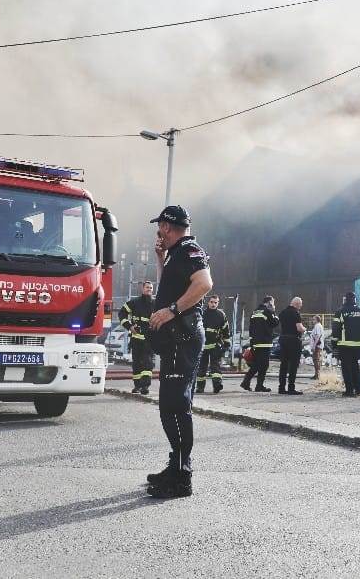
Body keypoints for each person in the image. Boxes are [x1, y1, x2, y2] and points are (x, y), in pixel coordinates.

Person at [143, 205, 212, 499]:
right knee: (171, 405)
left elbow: (204, 284)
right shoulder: (176, 254)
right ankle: (176, 465)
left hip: (183, 336)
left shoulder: (189, 249)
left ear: (168, 227)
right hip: (178, 339)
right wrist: (160, 259)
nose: (158, 232)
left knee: (174, 406)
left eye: (160, 226)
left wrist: (171, 311)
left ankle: (182, 477)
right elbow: (168, 287)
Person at [331, 291, 360, 397]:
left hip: (344, 345)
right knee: (355, 367)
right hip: (358, 345)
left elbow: (336, 329)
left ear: (345, 300)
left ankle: (349, 390)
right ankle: (358, 389)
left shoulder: (340, 312)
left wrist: (334, 343)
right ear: (355, 300)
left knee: (346, 368)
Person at [119, 280, 155, 395]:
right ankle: (137, 386)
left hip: (149, 339)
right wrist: (129, 326)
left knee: (147, 363)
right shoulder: (134, 302)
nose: (149, 289)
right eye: (147, 287)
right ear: (142, 289)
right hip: (136, 339)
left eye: (150, 288)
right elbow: (122, 313)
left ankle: (145, 386)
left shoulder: (156, 304)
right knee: (136, 363)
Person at [240, 296, 279, 392]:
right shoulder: (267, 311)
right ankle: (257, 385)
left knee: (257, 364)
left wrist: (251, 340)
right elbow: (275, 323)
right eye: (272, 303)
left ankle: (247, 382)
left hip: (255, 342)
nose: (273, 305)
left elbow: (251, 327)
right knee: (264, 365)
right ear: (269, 303)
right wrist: (274, 311)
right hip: (265, 343)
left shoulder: (255, 311)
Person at [196, 295, 230, 394]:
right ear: (208, 302)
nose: (213, 304)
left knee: (215, 367)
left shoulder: (221, 315)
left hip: (215, 344)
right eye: (212, 302)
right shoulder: (202, 313)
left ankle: (217, 385)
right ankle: (200, 388)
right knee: (201, 368)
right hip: (202, 346)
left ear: (218, 303)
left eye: (215, 302)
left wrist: (227, 344)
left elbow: (226, 330)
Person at [278, 297, 306, 395]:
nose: (301, 306)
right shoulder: (296, 313)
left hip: (283, 339)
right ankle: (291, 388)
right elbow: (299, 328)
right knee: (293, 365)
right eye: (300, 304)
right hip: (294, 340)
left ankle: (281, 388)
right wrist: (304, 329)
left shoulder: (282, 312)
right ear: (297, 304)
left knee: (283, 365)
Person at [309, 315, 324, 380]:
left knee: (316, 360)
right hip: (318, 345)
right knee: (316, 360)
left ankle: (317, 375)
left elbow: (317, 336)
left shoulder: (317, 326)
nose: (313, 321)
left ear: (317, 320)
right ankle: (316, 374)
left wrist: (314, 346)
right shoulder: (318, 326)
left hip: (317, 346)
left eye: (314, 319)